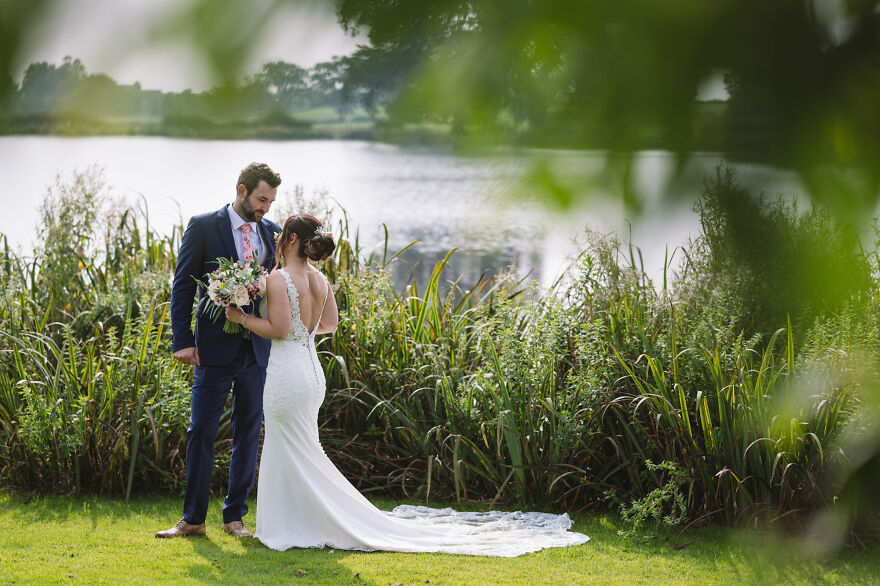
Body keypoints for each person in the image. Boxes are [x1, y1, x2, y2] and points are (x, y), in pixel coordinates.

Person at [224, 214, 590, 556]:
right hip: (311, 371)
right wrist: (303, 334)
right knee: (303, 446)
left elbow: (279, 330)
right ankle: (303, 520)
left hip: (287, 372)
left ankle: (289, 525)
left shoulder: (278, 279)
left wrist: (240, 317)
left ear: (287, 240)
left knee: (288, 445)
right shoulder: (321, 280)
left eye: (278, 237)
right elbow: (329, 325)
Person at [156, 162, 283, 539]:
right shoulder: (203, 225)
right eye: (261, 198)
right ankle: (193, 519)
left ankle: (234, 518)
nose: (266, 208)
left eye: (272, 201)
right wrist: (182, 340)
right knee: (201, 431)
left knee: (249, 432)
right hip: (212, 349)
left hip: (256, 350)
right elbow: (182, 287)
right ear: (241, 190)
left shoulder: (273, 234)